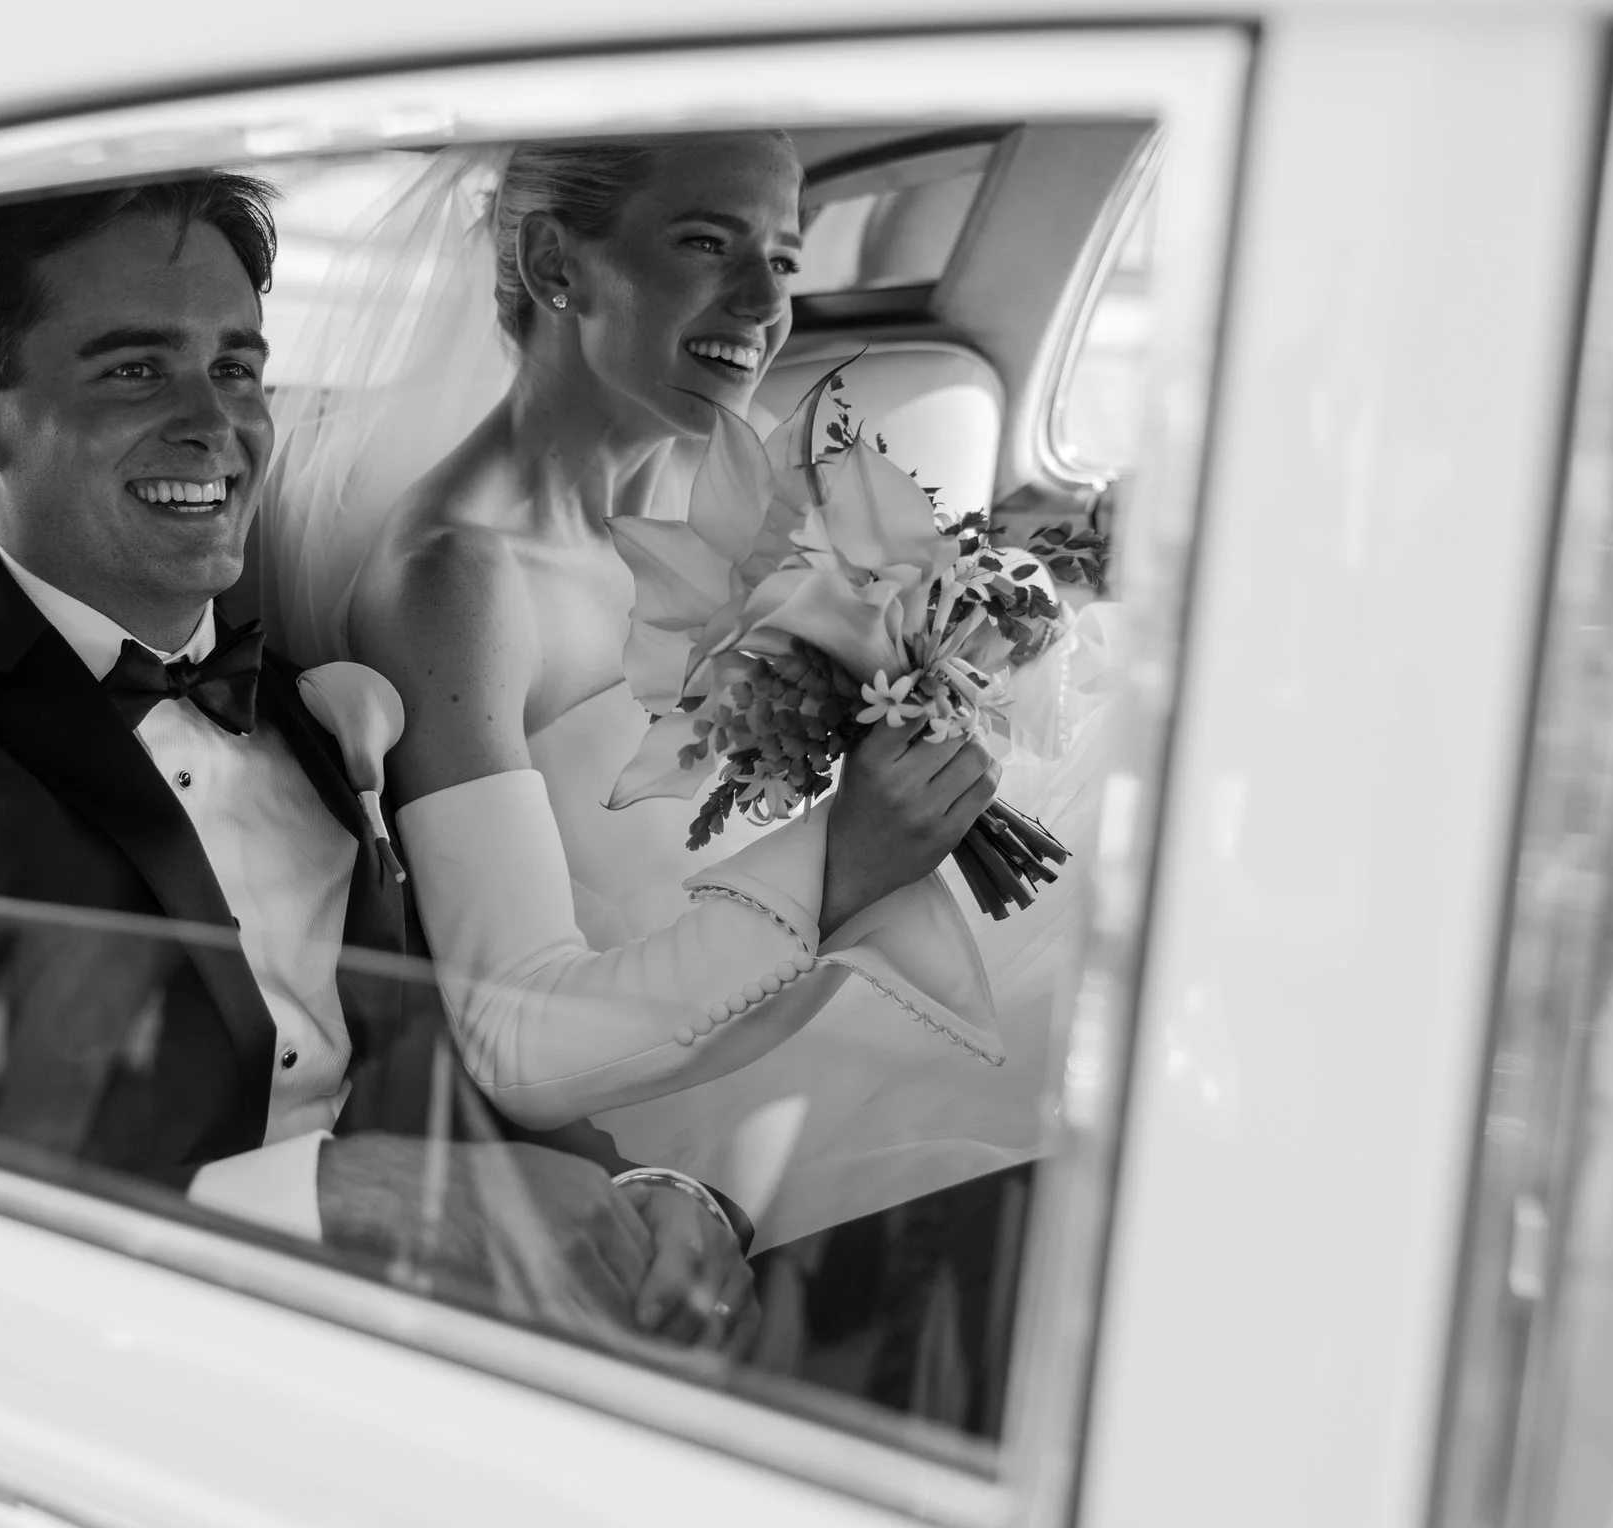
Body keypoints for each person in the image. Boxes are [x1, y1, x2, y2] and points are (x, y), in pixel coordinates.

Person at [0, 174, 754, 1343]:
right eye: (135, 370)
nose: (213, 424)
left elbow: (444, 1059)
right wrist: (341, 1200)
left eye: (235, 367)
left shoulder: (316, 703)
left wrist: (659, 1197)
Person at [263, 137, 1057, 1248]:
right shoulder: (457, 583)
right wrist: (848, 857)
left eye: (783, 259)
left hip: (850, 992)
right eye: (704, 244)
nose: (760, 300)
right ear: (554, 264)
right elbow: (515, 1039)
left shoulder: (737, 493)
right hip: (709, 1083)